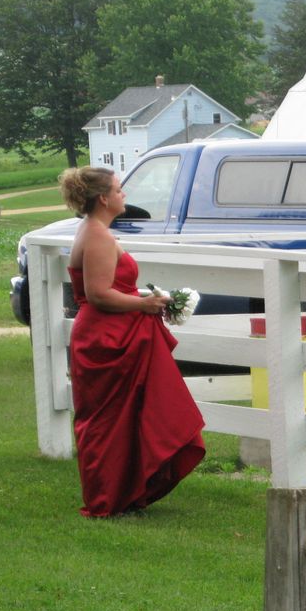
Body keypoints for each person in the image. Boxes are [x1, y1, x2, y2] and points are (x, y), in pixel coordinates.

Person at [61, 166, 205, 517]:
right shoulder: (96, 235)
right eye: (119, 189)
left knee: (127, 416)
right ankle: (104, 499)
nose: (125, 194)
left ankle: (125, 491)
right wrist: (144, 303)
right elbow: (97, 295)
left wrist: (147, 302)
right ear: (104, 198)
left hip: (120, 333)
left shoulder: (97, 231)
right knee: (105, 420)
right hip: (104, 337)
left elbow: (112, 288)